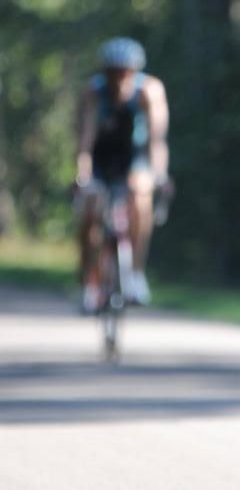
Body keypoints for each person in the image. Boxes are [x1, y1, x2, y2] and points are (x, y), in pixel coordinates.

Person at [76, 37, 170, 312]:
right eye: (113, 72)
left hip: (135, 156)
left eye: (125, 72)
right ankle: (88, 283)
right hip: (101, 156)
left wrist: (159, 174)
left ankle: (136, 274)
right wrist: (82, 175)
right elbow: (85, 139)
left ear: (135, 71)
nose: (120, 79)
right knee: (90, 210)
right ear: (104, 72)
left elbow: (157, 140)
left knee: (141, 198)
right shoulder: (93, 92)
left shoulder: (149, 91)